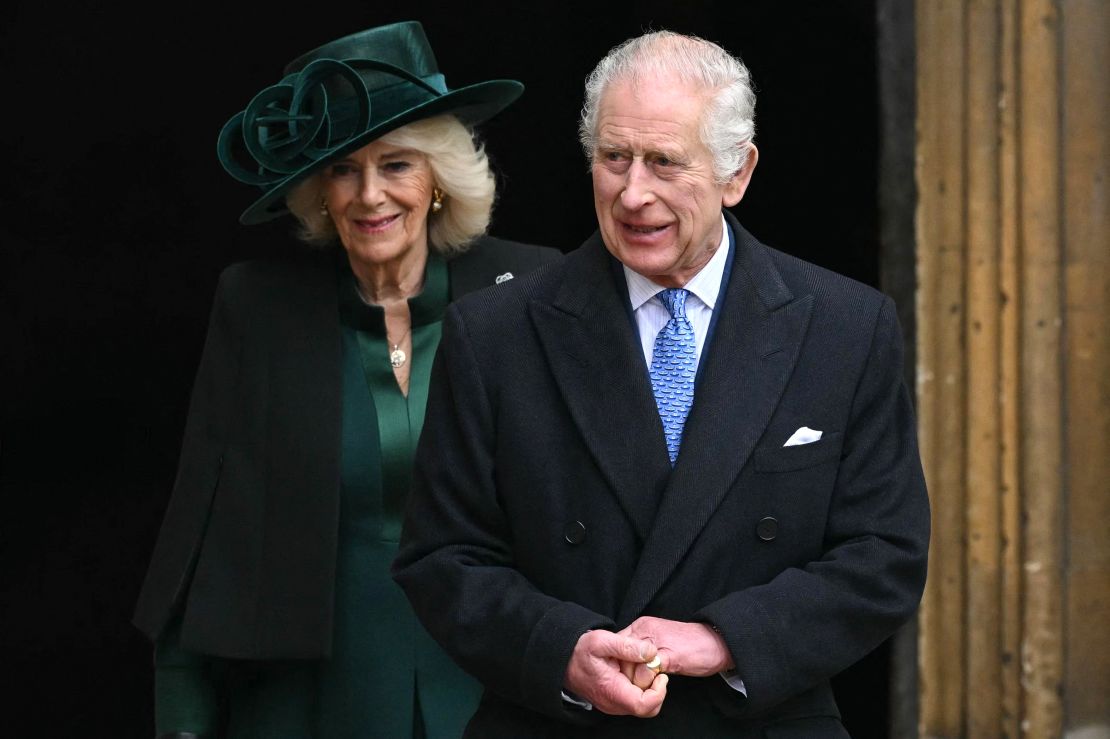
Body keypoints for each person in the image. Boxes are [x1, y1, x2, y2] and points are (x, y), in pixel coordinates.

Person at [392, 29, 930, 738]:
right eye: (614, 158)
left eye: (664, 162)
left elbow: (885, 552)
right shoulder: (494, 333)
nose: (632, 192)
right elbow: (442, 557)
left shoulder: (847, 329)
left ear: (737, 173)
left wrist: (726, 639)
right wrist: (563, 650)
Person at [132, 20, 560, 738]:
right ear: (318, 192)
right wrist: (181, 715)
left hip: (494, 688)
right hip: (306, 701)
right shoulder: (260, 307)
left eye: (396, 164)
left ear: (436, 180)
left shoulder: (530, 290)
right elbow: (198, 533)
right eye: (343, 168)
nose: (369, 195)